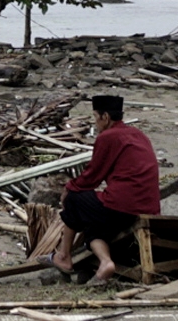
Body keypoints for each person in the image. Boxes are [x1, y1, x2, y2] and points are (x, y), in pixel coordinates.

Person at [42, 93, 158, 283]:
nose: (95, 123)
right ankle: (106, 263)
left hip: (122, 205)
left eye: (96, 117)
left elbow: (93, 176)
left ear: (105, 117)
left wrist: (69, 187)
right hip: (148, 206)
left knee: (75, 198)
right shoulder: (138, 135)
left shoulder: (109, 136)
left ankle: (63, 256)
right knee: (94, 225)